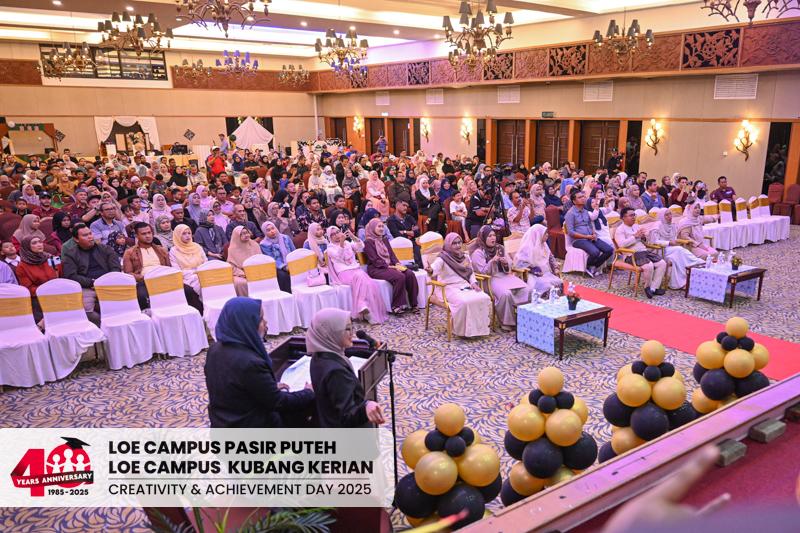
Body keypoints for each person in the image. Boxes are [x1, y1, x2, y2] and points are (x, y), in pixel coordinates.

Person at [205, 297, 314, 428]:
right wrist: (309, 392)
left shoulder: (215, 349)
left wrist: (265, 388)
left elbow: (233, 387)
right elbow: (280, 403)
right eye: (261, 319)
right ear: (246, 324)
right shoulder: (251, 363)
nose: (266, 322)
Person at [308, 308, 385, 428]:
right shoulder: (336, 371)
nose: (352, 333)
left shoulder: (318, 356)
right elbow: (347, 417)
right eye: (347, 329)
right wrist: (366, 405)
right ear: (331, 332)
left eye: (351, 326)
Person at [424, 233, 491, 338]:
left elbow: (470, 272)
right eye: (454, 243)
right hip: (447, 288)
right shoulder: (443, 257)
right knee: (463, 302)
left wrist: (473, 282)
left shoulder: (465, 256)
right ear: (448, 245)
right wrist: (430, 270)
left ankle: (477, 330)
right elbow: (435, 267)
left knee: (483, 297)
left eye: (459, 242)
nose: (458, 245)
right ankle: (462, 332)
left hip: (464, 286)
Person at [471, 226, 531, 331]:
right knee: (506, 293)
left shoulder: (500, 248)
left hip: (504, 276)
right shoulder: (478, 253)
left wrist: (506, 263)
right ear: (483, 237)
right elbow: (482, 271)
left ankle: (523, 319)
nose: (493, 238)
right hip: (488, 279)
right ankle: (507, 323)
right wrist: (492, 262)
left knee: (527, 289)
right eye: (489, 236)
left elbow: (510, 264)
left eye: (494, 235)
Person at [326, 225, 388, 324]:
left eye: (338, 232)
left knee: (368, 283)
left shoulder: (347, 243)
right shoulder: (330, 248)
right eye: (333, 234)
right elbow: (338, 256)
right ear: (330, 237)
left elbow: (361, 246)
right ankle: (362, 306)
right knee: (360, 275)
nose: (337, 235)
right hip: (344, 273)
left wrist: (353, 237)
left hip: (356, 271)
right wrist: (341, 242)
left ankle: (368, 312)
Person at [62, 225, 122, 325]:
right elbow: (71, 276)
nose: (90, 237)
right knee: (85, 309)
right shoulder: (71, 254)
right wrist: (91, 283)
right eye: (85, 235)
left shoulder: (106, 249)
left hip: (109, 284)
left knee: (125, 301)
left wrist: (105, 282)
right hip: (88, 286)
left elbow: (116, 268)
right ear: (76, 239)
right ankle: (102, 325)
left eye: (90, 234)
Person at [363, 218, 419, 315]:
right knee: (399, 276)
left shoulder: (384, 240)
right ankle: (396, 305)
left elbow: (392, 255)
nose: (381, 229)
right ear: (372, 228)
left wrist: (397, 264)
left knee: (410, 274)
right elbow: (375, 261)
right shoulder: (367, 243)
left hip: (390, 266)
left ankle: (414, 304)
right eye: (379, 226)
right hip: (376, 269)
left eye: (382, 226)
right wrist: (391, 267)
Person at [616, 207, 668, 299]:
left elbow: (645, 242)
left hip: (644, 252)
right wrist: (634, 237)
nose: (634, 217)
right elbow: (621, 244)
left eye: (634, 215)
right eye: (631, 215)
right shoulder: (620, 229)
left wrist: (643, 238)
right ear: (624, 218)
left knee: (662, 263)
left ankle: (653, 288)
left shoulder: (637, 226)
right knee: (649, 265)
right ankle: (647, 287)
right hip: (631, 254)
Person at [648, 208, 705, 290]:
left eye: (670, 214)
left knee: (679, 255)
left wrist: (675, 242)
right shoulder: (657, 225)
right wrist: (669, 243)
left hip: (671, 249)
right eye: (666, 215)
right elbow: (654, 241)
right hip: (659, 250)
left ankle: (685, 278)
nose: (669, 216)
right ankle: (697, 262)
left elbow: (673, 238)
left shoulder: (672, 225)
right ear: (661, 216)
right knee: (679, 250)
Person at [566, 190, 614, 278]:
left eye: (583, 197)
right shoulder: (570, 214)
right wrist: (586, 236)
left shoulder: (585, 211)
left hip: (590, 237)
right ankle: (587, 266)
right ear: (574, 201)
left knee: (609, 249)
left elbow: (589, 225)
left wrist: (594, 234)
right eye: (579, 197)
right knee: (595, 252)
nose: (583, 198)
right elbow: (571, 232)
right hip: (579, 240)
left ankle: (592, 267)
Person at [16, 235, 59, 323]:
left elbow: (63, 276)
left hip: (58, 293)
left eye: (40, 242)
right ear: (27, 247)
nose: (39, 245)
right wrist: (47, 289)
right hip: (38, 297)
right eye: (34, 243)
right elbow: (28, 289)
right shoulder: (22, 267)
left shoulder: (52, 258)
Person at [514, 224, 562, 297]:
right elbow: (520, 263)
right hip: (531, 274)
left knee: (559, 282)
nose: (547, 235)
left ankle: (555, 303)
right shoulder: (527, 247)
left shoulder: (544, 245)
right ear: (538, 235)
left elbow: (550, 257)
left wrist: (555, 267)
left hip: (544, 272)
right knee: (546, 286)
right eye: (545, 233)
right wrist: (537, 270)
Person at [169, 224, 208, 297]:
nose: (187, 236)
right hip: (186, 277)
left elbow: (205, 262)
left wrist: (200, 271)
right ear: (178, 235)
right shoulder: (174, 251)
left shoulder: (197, 247)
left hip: (201, 273)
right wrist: (194, 272)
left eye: (189, 233)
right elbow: (176, 270)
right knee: (197, 280)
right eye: (184, 234)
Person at [259, 221, 295, 293]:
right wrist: (285, 267)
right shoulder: (264, 244)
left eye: (273, 228)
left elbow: (294, 251)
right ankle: (288, 295)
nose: (272, 231)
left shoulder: (286, 238)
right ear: (265, 232)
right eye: (268, 230)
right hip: (278, 267)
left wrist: (294, 264)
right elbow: (271, 259)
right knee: (283, 276)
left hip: (291, 263)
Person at [227, 226, 262, 297]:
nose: (246, 235)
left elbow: (260, 260)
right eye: (242, 234)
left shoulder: (255, 245)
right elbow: (232, 266)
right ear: (237, 236)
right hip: (240, 274)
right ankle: (245, 302)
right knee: (239, 283)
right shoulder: (232, 249)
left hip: (255, 270)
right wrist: (244, 274)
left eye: (247, 233)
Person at [385, 200, 422, 267]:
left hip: (412, 243)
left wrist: (404, 232)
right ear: (397, 205)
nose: (406, 208)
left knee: (421, 256)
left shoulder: (409, 218)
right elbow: (397, 236)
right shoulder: (391, 220)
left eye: (407, 206)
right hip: (399, 245)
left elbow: (418, 232)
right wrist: (411, 233)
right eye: (404, 205)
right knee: (414, 259)